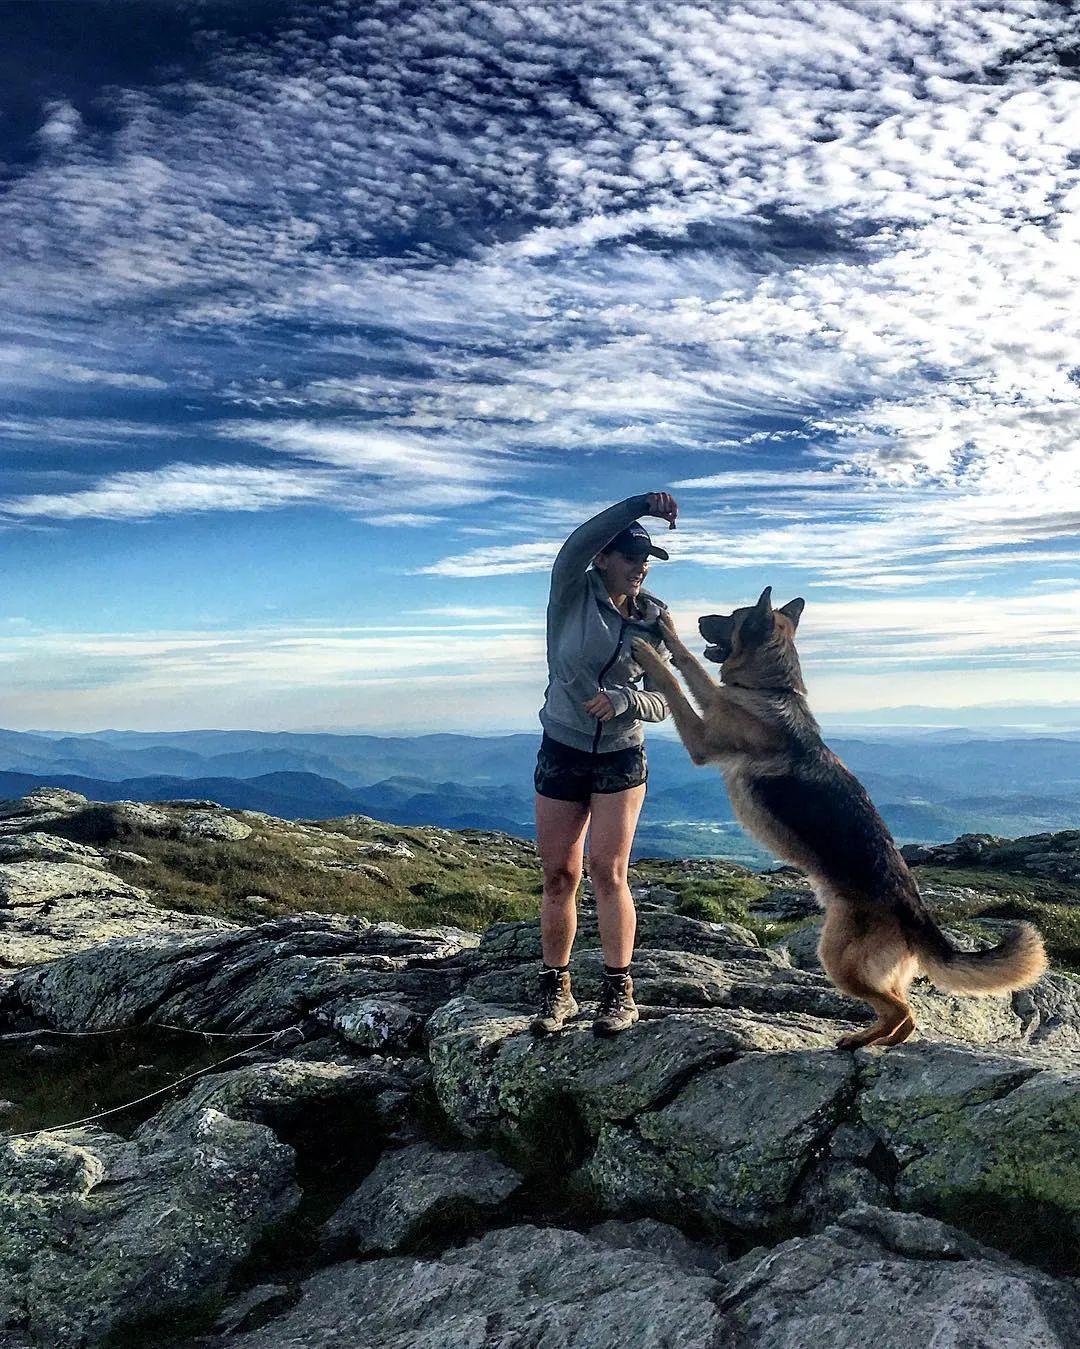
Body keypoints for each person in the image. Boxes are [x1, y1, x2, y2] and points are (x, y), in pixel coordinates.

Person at [532, 490, 679, 1037]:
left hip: (621, 754)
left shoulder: (654, 619)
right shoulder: (571, 592)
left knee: (608, 871)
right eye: (630, 556)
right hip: (563, 748)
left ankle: (619, 991)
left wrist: (624, 701)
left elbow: (667, 699)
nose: (640, 566)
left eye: (647, 559)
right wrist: (638, 505)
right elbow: (575, 544)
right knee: (559, 874)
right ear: (604, 558)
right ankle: (556, 988)